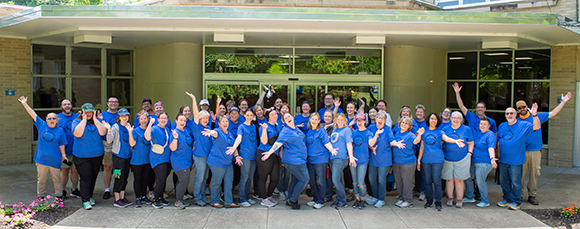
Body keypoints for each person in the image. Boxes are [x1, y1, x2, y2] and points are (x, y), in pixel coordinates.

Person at [516, 92, 572, 205]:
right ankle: (519, 196)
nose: (522, 109)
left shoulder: (536, 116)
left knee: (534, 174)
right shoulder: (516, 121)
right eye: (519, 108)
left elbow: (553, 113)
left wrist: (563, 102)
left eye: (523, 107)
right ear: (517, 110)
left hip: (535, 151)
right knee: (520, 175)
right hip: (521, 152)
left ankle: (532, 195)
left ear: (527, 107)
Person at [18, 96, 68, 199]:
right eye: (49, 118)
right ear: (46, 120)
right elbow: (32, 113)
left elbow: (62, 144)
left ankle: (58, 196)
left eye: (54, 118)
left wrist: (63, 156)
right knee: (41, 180)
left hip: (55, 160)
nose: (52, 120)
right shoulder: (42, 125)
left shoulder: (60, 130)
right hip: (41, 160)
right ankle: (41, 197)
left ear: (57, 120)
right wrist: (24, 103)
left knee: (57, 180)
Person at [417, 113, 464, 211]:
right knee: (428, 181)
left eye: (435, 119)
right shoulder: (424, 132)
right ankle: (429, 200)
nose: (433, 121)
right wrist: (419, 160)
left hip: (437, 160)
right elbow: (422, 147)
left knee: (437, 181)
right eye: (431, 119)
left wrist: (455, 141)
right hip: (426, 160)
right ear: (428, 120)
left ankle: (438, 202)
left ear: (437, 121)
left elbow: (446, 138)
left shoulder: (440, 132)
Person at [262, 113, 309, 209]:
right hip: (293, 160)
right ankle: (293, 199)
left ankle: (289, 200)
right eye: (285, 118)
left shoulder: (296, 128)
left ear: (292, 118)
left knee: (296, 179)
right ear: (284, 122)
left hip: (301, 159)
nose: (288, 118)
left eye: (289, 116)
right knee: (304, 179)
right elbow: (278, 143)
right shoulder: (285, 131)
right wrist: (269, 152)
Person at [497, 105, 540, 210]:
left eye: (511, 113)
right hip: (503, 160)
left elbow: (537, 127)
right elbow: (499, 140)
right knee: (504, 182)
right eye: (507, 113)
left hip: (516, 161)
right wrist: (498, 155)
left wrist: (534, 115)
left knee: (516, 182)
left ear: (516, 114)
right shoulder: (502, 125)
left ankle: (516, 201)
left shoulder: (523, 125)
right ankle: (506, 199)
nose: (509, 115)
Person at [72, 103, 107, 210]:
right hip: (82, 156)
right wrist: (84, 119)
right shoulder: (76, 122)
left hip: (97, 155)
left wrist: (95, 119)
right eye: (86, 112)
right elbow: (77, 133)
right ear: (82, 112)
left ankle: (89, 196)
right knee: (86, 177)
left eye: (90, 112)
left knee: (93, 177)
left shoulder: (99, 122)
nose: (88, 114)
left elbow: (102, 132)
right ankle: (85, 200)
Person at [202, 115, 241, 208]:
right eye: (223, 121)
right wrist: (210, 132)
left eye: (226, 121)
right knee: (217, 182)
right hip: (217, 162)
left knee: (228, 182)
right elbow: (214, 133)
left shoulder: (230, 134)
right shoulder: (218, 131)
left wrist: (237, 156)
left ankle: (228, 202)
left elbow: (233, 147)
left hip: (228, 163)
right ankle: (214, 201)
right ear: (219, 124)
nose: (225, 123)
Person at [366, 111, 401, 208]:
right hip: (373, 159)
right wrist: (372, 147)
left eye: (382, 118)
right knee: (371, 179)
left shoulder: (388, 129)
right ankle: (375, 196)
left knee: (381, 180)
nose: (380, 120)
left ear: (385, 120)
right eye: (379, 118)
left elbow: (392, 140)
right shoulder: (371, 128)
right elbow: (369, 142)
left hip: (384, 159)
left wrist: (396, 143)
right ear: (375, 119)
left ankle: (381, 199)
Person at [305, 113, 338, 209]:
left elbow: (326, 142)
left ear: (319, 121)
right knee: (312, 181)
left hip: (320, 159)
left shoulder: (322, 131)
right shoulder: (309, 131)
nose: (314, 121)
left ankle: (321, 200)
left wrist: (331, 149)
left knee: (321, 180)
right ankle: (315, 198)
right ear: (310, 120)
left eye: (316, 119)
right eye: (312, 119)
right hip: (310, 159)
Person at [441, 111, 474, 208]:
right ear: (450, 119)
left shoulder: (466, 129)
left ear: (461, 120)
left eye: (458, 118)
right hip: (447, 158)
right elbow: (442, 143)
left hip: (462, 159)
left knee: (459, 180)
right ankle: (450, 198)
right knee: (449, 180)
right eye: (453, 117)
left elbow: (471, 142)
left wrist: (469, 153)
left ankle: (459, 200)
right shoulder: (445, 129)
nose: (455, 120)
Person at [463, 117, 497, 207]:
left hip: (484, 162)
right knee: (468, 177)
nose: (482, 126)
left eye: (484, 124)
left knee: (480, 181)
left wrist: (493, 158)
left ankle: (485, 200)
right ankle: (470, 197)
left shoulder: (490, 134)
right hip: (475, 161)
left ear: (489, 126)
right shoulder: (480, 134)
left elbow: (491, 147)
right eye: (481, 124)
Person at [187, 92, 213, 207]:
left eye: (207, 118)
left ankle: (202, 196)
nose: (205, 119)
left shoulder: (208, 127)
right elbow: (195, 113)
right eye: (203, 118)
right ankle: (197, 198)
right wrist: (193, 99)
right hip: (199, 155)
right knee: (200, 177)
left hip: (208, 156)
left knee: (205, 177)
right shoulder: (197, 127)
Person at [229, 109, 259, 207]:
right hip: (245, 155)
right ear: (244, 116)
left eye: (251, 115)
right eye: (247, 115)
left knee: (250, 177)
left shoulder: (254, 126)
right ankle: (241, 199)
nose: (249, 117)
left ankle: (246, 197)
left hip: (253, 156)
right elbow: (239, 138)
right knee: (244, 177)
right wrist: (234, 147)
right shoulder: (241, 126)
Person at [392, 117, 424, 208]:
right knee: (399, 181)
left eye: (406, 123)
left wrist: (419, 135)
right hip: (397, 162)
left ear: (409, 126)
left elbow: (415, 141)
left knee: (407, 182)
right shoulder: (397, 133)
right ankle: (401, 198)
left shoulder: (410, 135)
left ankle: (408, 200)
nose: (404, 124)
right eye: (402, 122)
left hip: (408, 162)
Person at [104, 108, 133, 208]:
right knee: (118, 177)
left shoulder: (129, 126)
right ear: (119, 117)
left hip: (127, 156)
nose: (125, 118)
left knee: (125, 177)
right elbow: (109, 140)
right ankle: (117, 199)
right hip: (118, 156)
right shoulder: (115, 127)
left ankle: (122, 197)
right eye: (122, 116)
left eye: (126, 116)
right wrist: (108, 130)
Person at [144, 113, 171, 209]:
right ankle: (155, 200)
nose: (164, 120)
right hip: (158, 159)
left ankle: (161, 198)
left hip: (167, 158)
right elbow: (147, 137)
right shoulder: (154, 128)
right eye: (162, 118)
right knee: (161, 179)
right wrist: (150, 124)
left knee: (163, 180)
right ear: (158, 119)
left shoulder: (167, 129)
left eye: (165, 118)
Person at [257, 108, 282, 207]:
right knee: (263, 177)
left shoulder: (278, 126)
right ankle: (264, 199)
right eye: (272, 115)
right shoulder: (264, 126)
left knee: (275, 178)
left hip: (274, 155)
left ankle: (269, 195)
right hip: (264, 153)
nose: (274, 116)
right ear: (268, 117)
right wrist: (263, 129)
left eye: (276, 114)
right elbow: (263, 141)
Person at [328, 113, 354, 209]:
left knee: (335, 179)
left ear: (345, 121)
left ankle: (343, 200)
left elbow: (349, 143)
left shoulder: (347, 130)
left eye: (342, 120)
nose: (340, 121)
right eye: (338, 119)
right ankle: (338, 199)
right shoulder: (334, 129)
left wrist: (350, 156)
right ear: (335, 121)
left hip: (340, 157)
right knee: (337, 180)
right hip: (332, 157)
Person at [169, 114, 194, 210]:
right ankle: (178, 201)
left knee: (183, 181)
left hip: (187, 160)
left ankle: (180, 199)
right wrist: (175, 138)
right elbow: (172, 148)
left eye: (184, 120)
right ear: (176, 121)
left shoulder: (186, 131)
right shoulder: (174, 132)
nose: (183, 122)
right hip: (179, 161)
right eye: (181, 120)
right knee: (184, 180)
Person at [129, 112, 154, 208]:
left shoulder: (151, 130)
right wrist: (130, 132)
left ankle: (144, 195)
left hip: (147, 159)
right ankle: (137, 197)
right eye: (141, 119)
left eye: (145, 119)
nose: (143, 121)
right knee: (138, 179)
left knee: (145, 179)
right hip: (137, 159)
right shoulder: (135, 131)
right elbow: (132, 144)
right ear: (138, 120)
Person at [57, 99, 81, 198]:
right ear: (61, 107)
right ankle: (62, 190)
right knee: (65, 170)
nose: (67, 106)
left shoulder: (77, 117)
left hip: (76, 149)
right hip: (64, 151)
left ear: (71, 105)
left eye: (68, 104)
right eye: (64, 104)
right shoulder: (58, 118)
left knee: (75, 169)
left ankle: (74, 189)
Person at [350, 113, 373, 209]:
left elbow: (371, 142)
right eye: (357, 120)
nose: (359, 122)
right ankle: (357, 198)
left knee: (360, 182)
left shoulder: (368, 133)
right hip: (353, 160)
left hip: (363, 160)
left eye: (361, 120)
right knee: (354, 182)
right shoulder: (353, 132)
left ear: (365, 121)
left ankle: (363, 198)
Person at [101, 96, 120, 200]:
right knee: (108, 166)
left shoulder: (121, 114)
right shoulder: (103, 115)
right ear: (107, 103)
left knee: (118, 167)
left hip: (119, 143)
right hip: (107, 143)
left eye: (115, 102)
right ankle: (107, 189)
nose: (113, 104)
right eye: (111, 102)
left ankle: (117, 188)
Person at [413, 104, 428, 201]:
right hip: (413, 149)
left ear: (424, 114)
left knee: (422, 171)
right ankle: (416, 189)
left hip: (423, 150)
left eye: (421, 112)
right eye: (417, 111)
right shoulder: (412, 121)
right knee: (415, 171)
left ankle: (423, 191)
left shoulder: (427, 123)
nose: (419, 113)